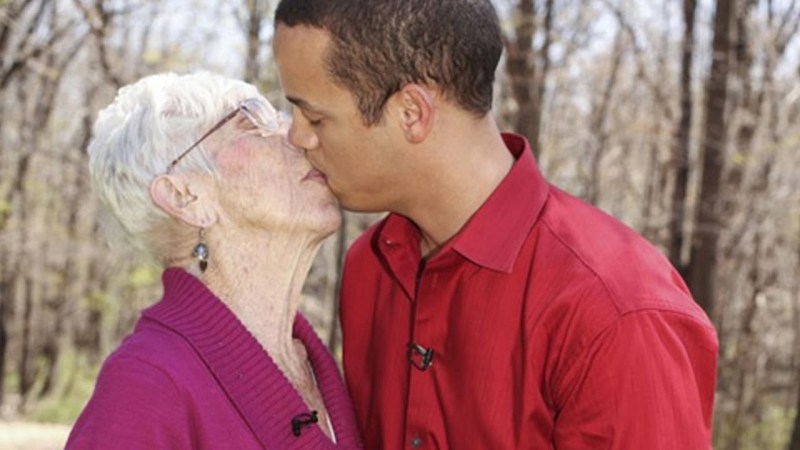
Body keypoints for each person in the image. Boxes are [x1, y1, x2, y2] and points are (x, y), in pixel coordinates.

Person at [272, 1, 719, 449]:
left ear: (411, 112)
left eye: (314, 117)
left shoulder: (617, 311)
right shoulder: (370, 267)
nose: (297, 137)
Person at [65, 72, 362, 449]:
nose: (294, 133)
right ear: (185, 196)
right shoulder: (145, 384)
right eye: (252, 122)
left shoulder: (322, 366)